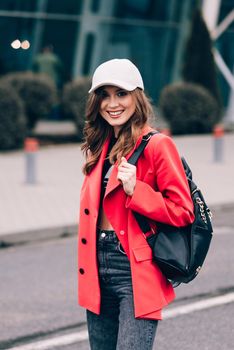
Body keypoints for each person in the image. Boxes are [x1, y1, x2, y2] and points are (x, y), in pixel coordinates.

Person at [78, 58, 194, 349]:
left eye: (121, 93)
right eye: (104, 94)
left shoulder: (157, 145)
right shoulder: (100, 145)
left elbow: (183, 211)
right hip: (96, 266)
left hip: (133, 269)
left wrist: (138, 191)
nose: (112, 103)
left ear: (137, 97)